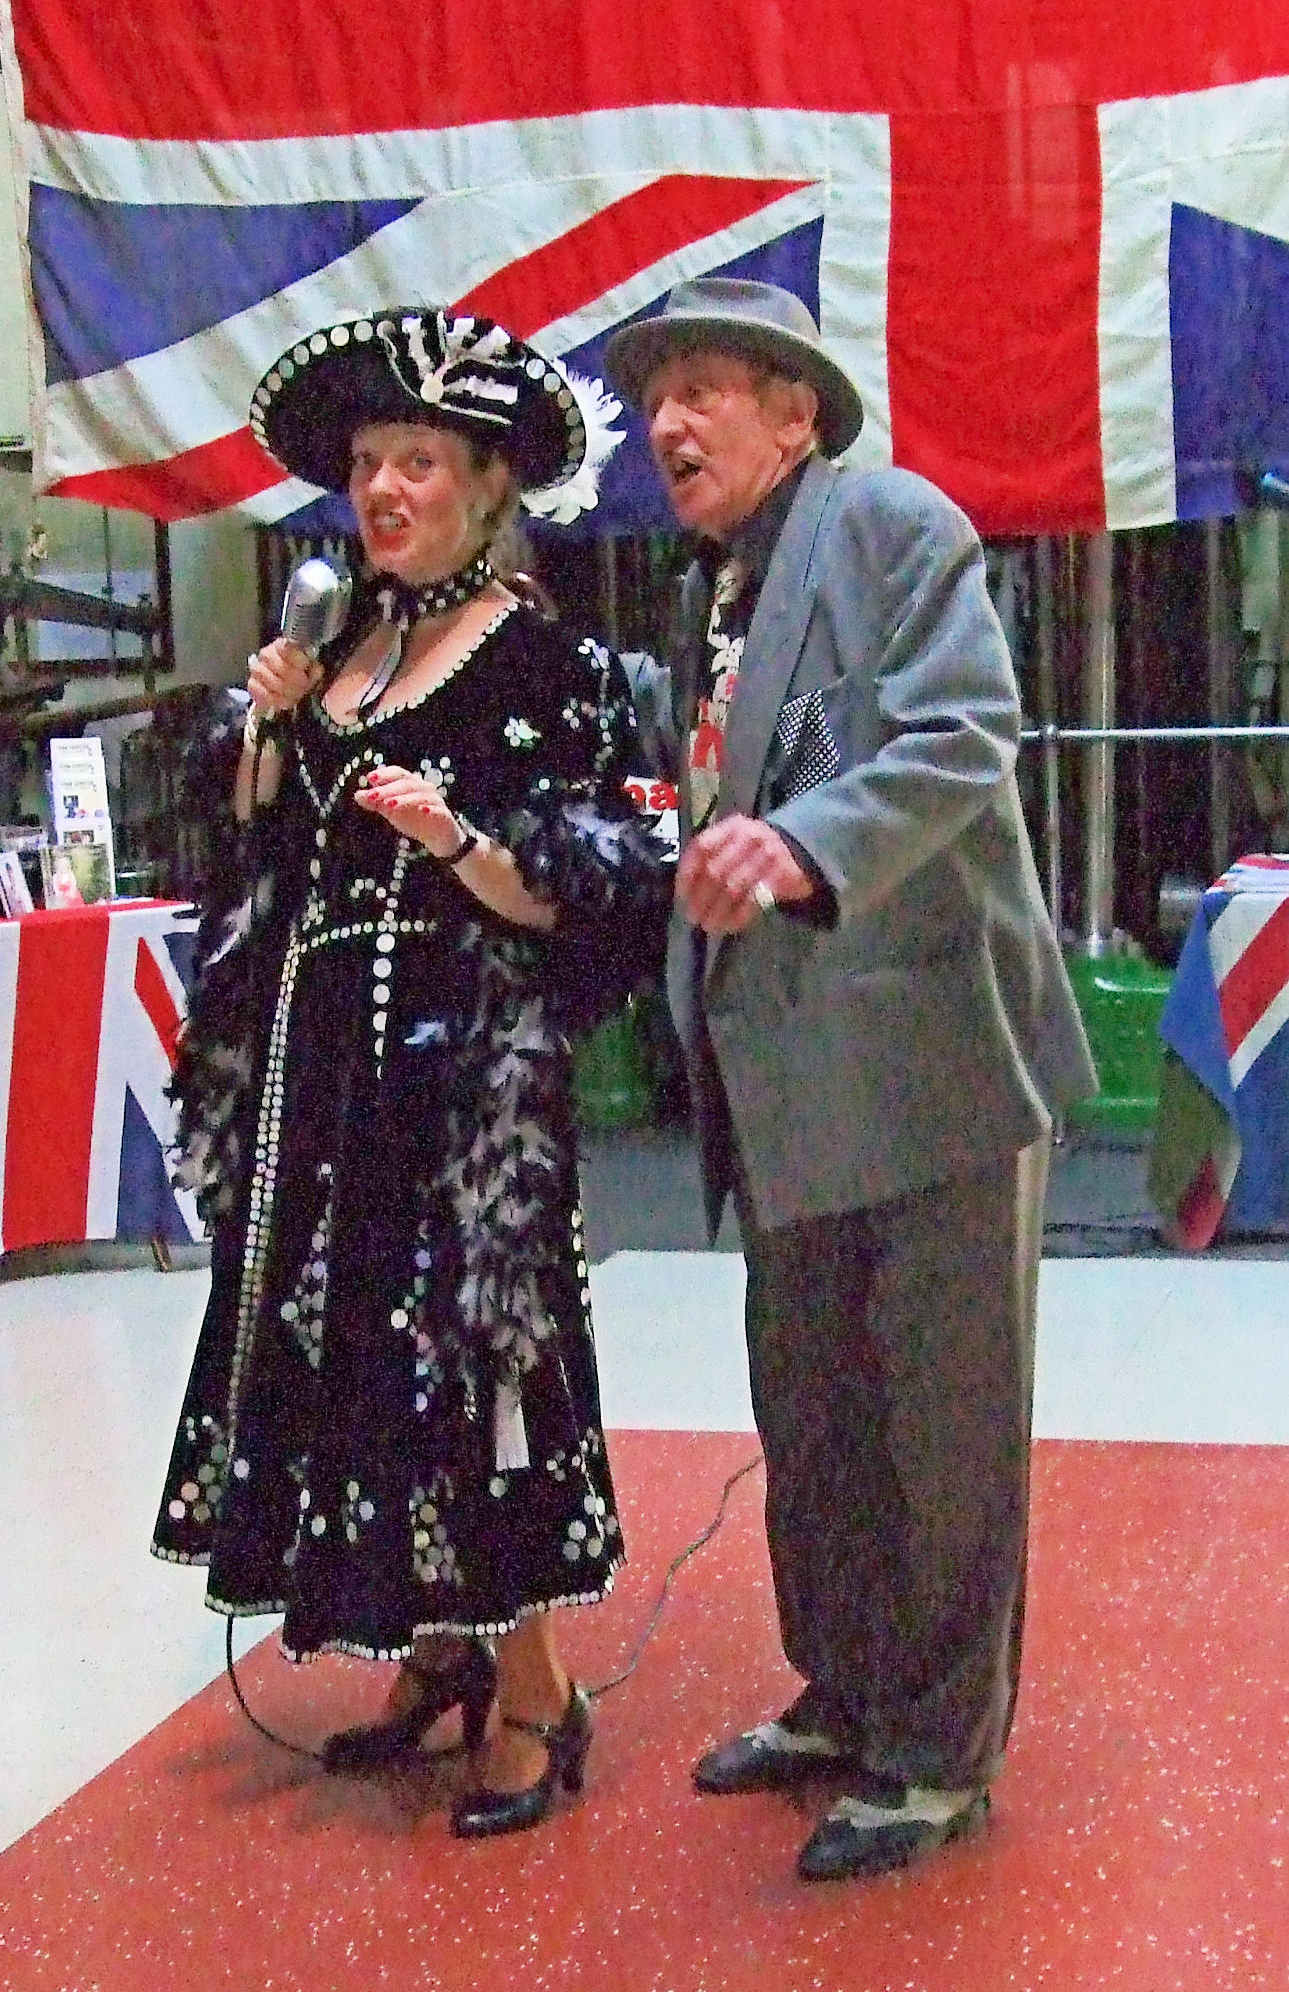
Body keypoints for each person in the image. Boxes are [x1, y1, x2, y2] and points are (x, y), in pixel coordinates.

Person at [604, 278, 1097, 1881]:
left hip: (930, 1062)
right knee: (811, 1415)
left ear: (794, 412)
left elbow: (964, 735)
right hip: (792, 1083)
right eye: (651, 399)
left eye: (700, 391)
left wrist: (797, 841)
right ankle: (846, 1692)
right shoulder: (718, 588)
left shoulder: (890, 522)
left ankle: (939, 1755)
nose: (663, 425)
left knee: (940, 1426)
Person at [153, 307, 666, 1839]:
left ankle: (536, 1687)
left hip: (467, 1099)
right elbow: (264, 862)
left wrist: (451, 837)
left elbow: (590, 891)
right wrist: (263, 732)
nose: (383, 490)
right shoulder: (340, 656)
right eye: (369, 464)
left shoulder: (548, 665)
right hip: (327, 1088)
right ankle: (437, 1648)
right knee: (359, 1370)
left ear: (487, 485)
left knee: (471, 1371)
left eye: (418, 463)